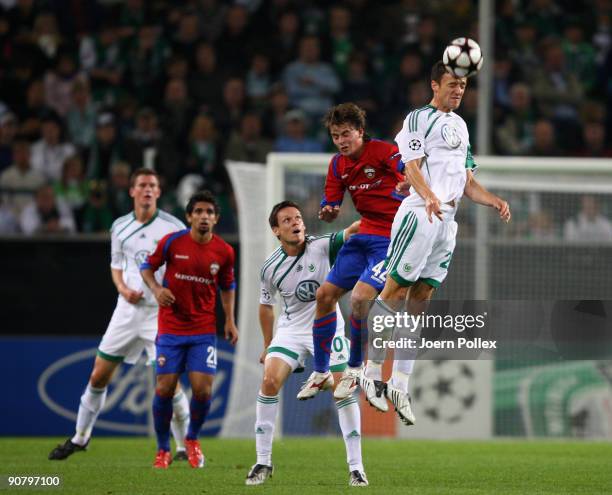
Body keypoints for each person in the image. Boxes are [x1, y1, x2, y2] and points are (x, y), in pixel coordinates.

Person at [362, 61, 511, 423]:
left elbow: (466, 181)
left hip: (447, 223)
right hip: (420, 214)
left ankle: (400, 382)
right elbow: (411, 166)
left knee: (421, 300)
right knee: (395, 292)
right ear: (434, 85)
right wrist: (427, 194)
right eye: (452, 84)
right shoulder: (417, 119)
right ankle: (370, 372)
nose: (459, 90)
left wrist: (493, 200)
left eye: (462, 85)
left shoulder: (461, 126)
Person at [48, 168, 190, 461]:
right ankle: (80, 437)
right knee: (99, 375)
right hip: (126, 312)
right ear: (132, 191)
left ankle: (184, 447)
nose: (148, 189)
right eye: (142, 185)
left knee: (169, 382)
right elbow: (116, 264)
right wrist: (123, 288)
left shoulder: (174, 227)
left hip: (159, 315)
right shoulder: (119, 227)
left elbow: (186, 268)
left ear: (159, 192)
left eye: (153, 185)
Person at [246, 201, 367, 487]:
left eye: (298, 218)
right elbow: (265, 306)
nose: (295, 223)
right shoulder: (270, 268)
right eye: (287, 220)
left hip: (329, 327)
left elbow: (350, 231)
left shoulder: (322, 246)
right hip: (291, 331)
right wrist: (267, 344)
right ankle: (263, 461)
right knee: (269, 382)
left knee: (343, 389)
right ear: (276, 230)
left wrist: (380, 215)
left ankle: (356, 468)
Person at [296, 102, 406, 401]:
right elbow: (329, 203)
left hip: (392, 238)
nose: (341, 141)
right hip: (363, 235)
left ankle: (355, 369)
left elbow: (409, 173)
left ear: (360, 131)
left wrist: (408, 184)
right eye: (335, 136)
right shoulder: (337, 165)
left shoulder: (384, 152)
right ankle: (320, 373)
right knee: (324, 296)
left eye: (346, 134)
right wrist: (328, 211)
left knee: (359, 298)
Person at [140, 190, 238, 469]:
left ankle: (192, 439)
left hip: (202, 330)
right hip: (170, 329)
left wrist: (229, 320)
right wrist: (157, 289)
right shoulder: (172, 242)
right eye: (198, 211)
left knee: (203, 391)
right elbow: (147, 267)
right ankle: (162, 449)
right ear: (189, 216)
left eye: (209, 212)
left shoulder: (224, 251)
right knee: (165, 389)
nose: (204, 216)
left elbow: (228, 286)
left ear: (216, 219)